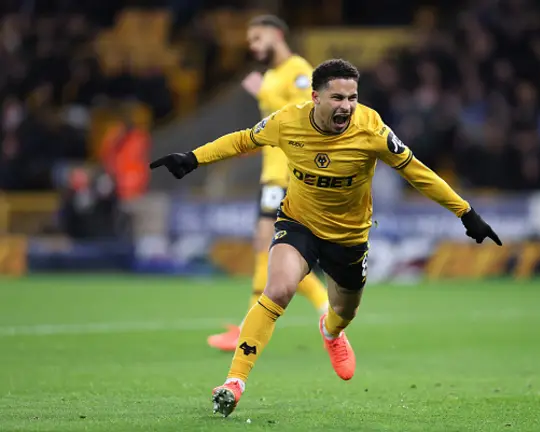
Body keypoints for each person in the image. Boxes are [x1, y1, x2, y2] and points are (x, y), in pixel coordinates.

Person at [150, 59, 502, 417]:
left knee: (345, 311)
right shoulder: (287, 121)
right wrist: (193, 159)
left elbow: (417, 173)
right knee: (280, 289)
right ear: (316, 97)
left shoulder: (372, 129)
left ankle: (331, 331)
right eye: (338, 98)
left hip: (349, 237)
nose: (347, 106)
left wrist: (466, 213)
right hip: (299, 224)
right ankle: (234, 382)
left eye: (352, 97)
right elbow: (243, 140)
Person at [206, 15, 329, 352]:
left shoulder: (298, 69)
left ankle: (249, 328)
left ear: (277, 34)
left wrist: (265, 95)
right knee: (270, 250)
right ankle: (321, 309)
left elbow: (307, 115)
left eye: (258, 38)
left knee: (269, 246)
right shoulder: (273, 75)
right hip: (272, 172)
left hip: (288, 173)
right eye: (251, 42)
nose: (254, 46)